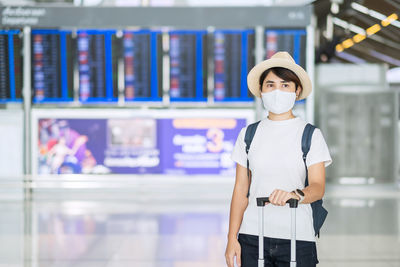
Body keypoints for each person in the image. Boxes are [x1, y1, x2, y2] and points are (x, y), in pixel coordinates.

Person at [225, 51, 332, 267]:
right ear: (261, 91)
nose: (277, 91)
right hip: (252, 236)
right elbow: (240, 190)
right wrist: (231, 239)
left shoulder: (310, 135)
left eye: (285, 85)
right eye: (270, 85)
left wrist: (295, 194)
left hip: (297, 236)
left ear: (297, 91)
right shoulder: (248, 134)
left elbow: (318, 187)